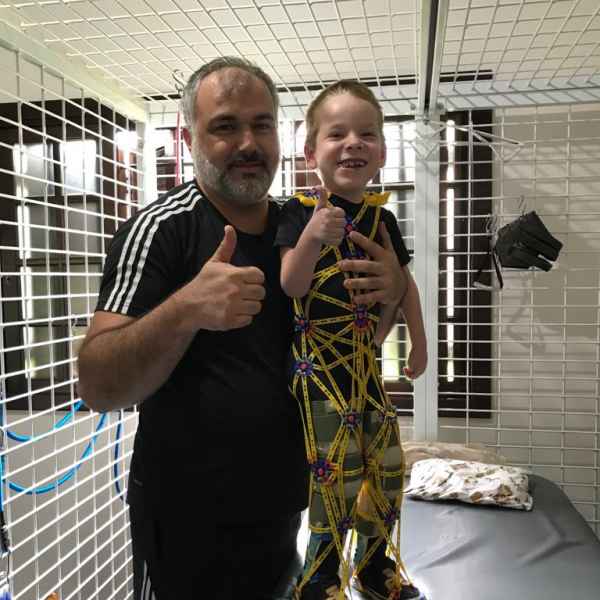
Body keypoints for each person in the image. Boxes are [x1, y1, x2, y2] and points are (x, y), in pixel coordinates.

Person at [77, 59, 409, 600]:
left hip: (284, 507)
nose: (249, 143)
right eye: (225, 126)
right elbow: (98, 384)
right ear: (190, 140)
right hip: (187, 518)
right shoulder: (163, 228)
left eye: (262, 124)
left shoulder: (300, 227)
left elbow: (359, 343)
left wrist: (393, 293)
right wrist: (186, 309)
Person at [275, 80, 427, 600]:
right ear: (310, 152)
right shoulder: (297, 213)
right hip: (317, 374)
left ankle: (374, 565)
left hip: (366, 371)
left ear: (382, 153)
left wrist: (420, 342)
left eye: (367, 134)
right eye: (336, 133)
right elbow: (291, 284)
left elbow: (405, 286)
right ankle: (319, 578)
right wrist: (314, 234)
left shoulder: (382, 219)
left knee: (388, 468)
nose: (353, 143)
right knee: (334, 476)